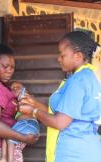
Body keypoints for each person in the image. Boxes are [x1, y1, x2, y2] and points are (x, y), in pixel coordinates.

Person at [19, 31, 101, 162]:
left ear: (78, 56)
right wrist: (34, 103)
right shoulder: (91, 76)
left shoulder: (77, 81)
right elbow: (63, 113)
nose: (58, 59)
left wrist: (33, 112)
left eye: (62, 55)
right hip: (89, 150)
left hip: (73, 153)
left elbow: (59, 122)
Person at [0, 81, 40, 162]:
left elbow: (31, 105)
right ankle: (3, 158)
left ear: (25, 91)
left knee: (9, 137)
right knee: (5, 134)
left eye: (18, 87)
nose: (15, 89)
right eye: (12, 89)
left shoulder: (26, 100)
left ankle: (7, 159)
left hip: (28, 123)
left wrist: (24, 96)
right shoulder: (14, 104)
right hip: (24, 126)